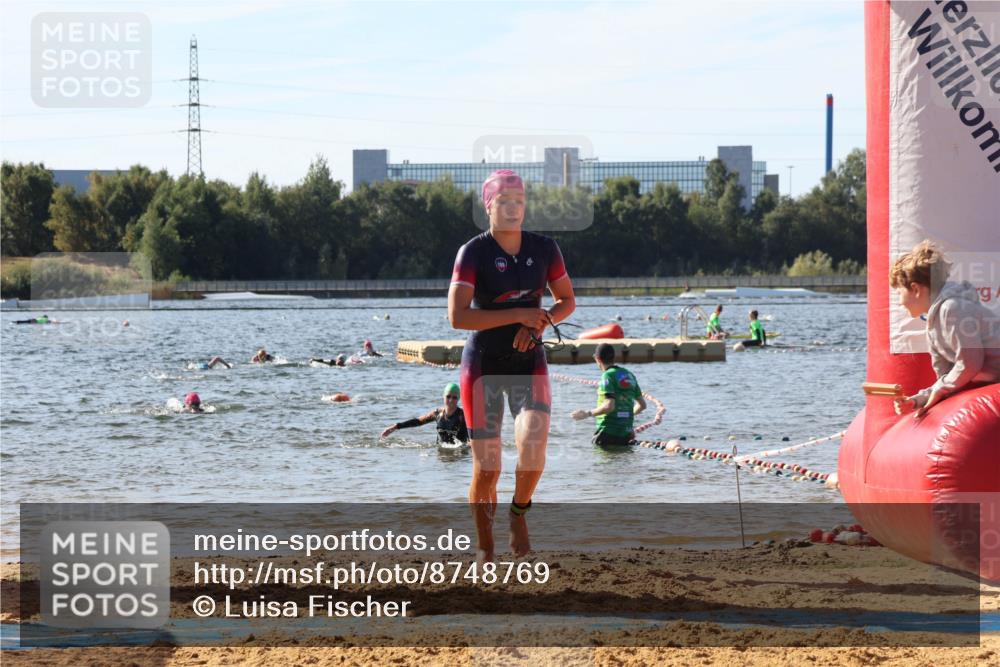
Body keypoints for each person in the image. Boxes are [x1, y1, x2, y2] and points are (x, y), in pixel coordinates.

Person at [448, 168, 576, 562]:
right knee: (488, 469)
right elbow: (458, 317)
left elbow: (566, 300)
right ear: (489, 206)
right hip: (483, 363)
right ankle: (485, 544)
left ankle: (518, 514)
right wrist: (521, 313)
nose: (512, 209)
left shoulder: (545, 248)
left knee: (533, 449)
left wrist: (539, 323)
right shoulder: (473, 252)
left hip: (528, 361)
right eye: (503, 202)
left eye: (519, 202)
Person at [890, 240, 1000, 417]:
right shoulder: (932, 324)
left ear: (915, 289)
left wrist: (940, 390)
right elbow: (947, 379)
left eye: (898, 293)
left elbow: (970, 364)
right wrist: (918, 400)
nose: (899, 301)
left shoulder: (952, 309)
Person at [571, 343, 647, 447]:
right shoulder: (629, 374)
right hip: (626, 434)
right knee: (623, 461)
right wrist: (625, 419)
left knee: (602, 462)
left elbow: (609, 406)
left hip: (607, 432)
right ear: (613, 357)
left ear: (597, 359)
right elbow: (642, 405)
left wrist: (587, 414)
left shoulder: (607, 376)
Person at [380, 383, 469, 445]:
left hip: (460, 455)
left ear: (458, 399)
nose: (451, 400)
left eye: (454, 397)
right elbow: (418, 421)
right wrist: (395, 427)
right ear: (443, 396)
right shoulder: (437, 413)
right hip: (442, 453)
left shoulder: (463, 416)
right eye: (448, 396)